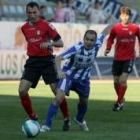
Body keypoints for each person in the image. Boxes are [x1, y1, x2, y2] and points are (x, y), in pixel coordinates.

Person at [40, 24, 114, 132]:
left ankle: (79, 119)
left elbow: (105, 32)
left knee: (84, 102)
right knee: (58, 98)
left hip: (84, 79)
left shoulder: (98, 44)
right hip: (69, 76)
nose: (89, 42)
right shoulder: (77, 48)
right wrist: (59, 71)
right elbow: (58, 58)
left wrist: (115, 23)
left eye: (91, 40)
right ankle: (47, 126)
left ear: (95, 41)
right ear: (84, 39)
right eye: (87, 39)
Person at [18, 2, 70, 131]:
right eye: (30, 13)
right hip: (33, 62)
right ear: (26, 13)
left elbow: (60, 42)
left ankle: (67, 118)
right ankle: (33, 117)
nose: (32, 15)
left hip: (47, 61)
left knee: (56, 91)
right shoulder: (24, 28)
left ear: (39, 12)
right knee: (22, 91)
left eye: (35, 12)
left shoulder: (46, 25)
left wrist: (49, 44)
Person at [104, 6, 140, 111]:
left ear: (130, 16)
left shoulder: (135, 28)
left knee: (123, 80)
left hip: (129, 58)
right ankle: (121, 98)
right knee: (116, 81)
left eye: (127, 15)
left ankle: (118, 103)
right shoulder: (116, 28)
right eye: (123, 15)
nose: (125, 17)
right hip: (117, 58)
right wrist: (108, 48)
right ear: (120, 16)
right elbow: (110, 39)